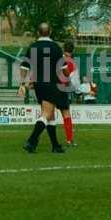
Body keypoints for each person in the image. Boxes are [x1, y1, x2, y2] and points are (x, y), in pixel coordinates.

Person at [18, 23, 68, 153]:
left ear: (38, 32)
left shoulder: (33, 47)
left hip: (38, 84)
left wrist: (22, 84)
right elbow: (63, 69)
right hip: (51, 83)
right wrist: (68, 78)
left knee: (50, 115)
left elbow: (24, 67)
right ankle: (32, 141)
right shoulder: (56, 47)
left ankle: (55, 146)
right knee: (46, 113)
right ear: (50, 32)